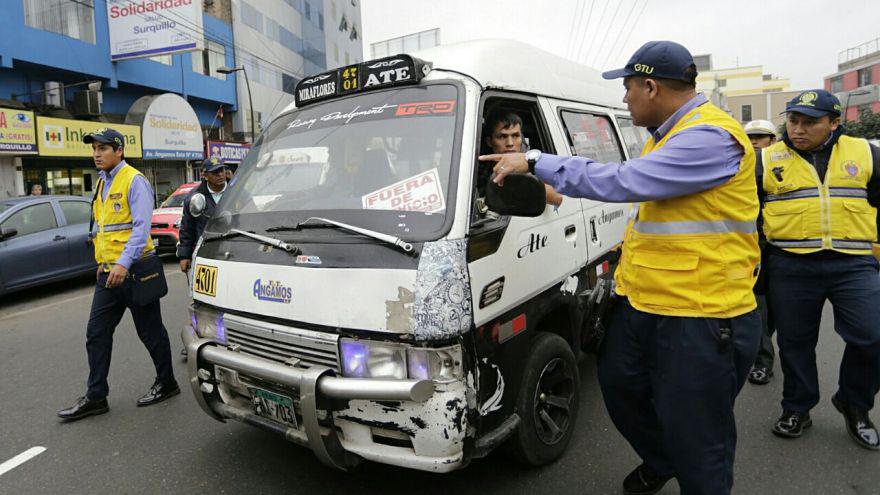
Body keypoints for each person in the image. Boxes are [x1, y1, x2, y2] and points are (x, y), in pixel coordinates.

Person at [481, 41, 761, 495]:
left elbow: (623, 182)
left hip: (701, 313)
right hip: (643, 300)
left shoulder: (710, 136)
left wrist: (536, 161)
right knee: (619, 385)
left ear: (650, 87)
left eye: (629, 88)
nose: (625, 99)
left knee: (698, 434)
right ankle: (661, 457)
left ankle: (687, 468)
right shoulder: (666, 136)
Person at [760, 89, 880, 450]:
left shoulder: (866, 153)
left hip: (853, 263)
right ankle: (798, 407)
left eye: (809, 122)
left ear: (834, 123)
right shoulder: (766, 159)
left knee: (873, 335)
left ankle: (854, 402)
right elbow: (748, 213)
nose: (798, 129)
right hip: (791, 264)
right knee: (796, 343)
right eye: (793, 120)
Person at [57, 128, 179, 422]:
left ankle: (167, 382)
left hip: (135, 271)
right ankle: (96, 396)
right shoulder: (102, 182)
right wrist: (103, 260)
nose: (97, 154)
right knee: (96, 334)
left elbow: (140, 229)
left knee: (150, 333)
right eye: (94, 148)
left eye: (103, 148)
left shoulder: (134, 180)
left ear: (119, 150)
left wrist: (123, 263)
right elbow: (105, 229)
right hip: (109, 274)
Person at [744, 119, 779, 385]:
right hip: (754, 244)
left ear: (772, 140)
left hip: (784, 246)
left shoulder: (785, 166)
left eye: (761, 137)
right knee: (759, 303)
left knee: (777, 307)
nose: (755, 141)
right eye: (751, 136)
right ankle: (762, 359)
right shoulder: (742, 166)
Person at [483, 110, 563, 208]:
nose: (510, 143)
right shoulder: (475, 168)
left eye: (515, 136)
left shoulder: (530, 164)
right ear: (489, 141)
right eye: (502, 136)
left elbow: (557, 198)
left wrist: (523, 176)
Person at [178, 156, 227, 273]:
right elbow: (187, 228)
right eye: (215, 172)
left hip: (232, 251)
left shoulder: (237, 192)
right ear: (204, 175)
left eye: (222, 170)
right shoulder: (194, 198)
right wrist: (184, 255)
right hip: (205, 254)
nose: (220, 174)